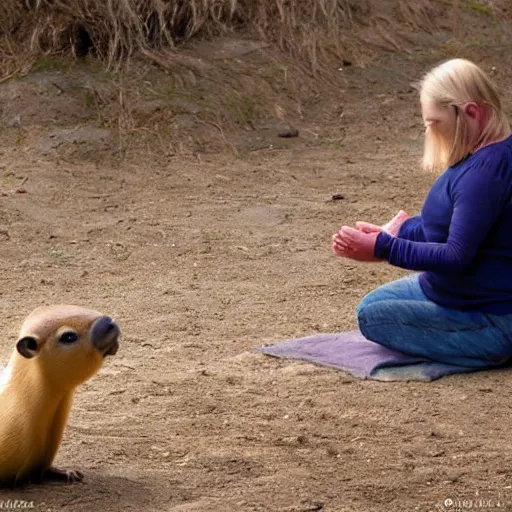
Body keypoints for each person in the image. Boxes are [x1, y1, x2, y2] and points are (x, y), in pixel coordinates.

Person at [332, 58, 512, 368]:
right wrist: (397, 232)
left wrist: (383, 248)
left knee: (372, 317)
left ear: (471, 113)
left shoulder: (485, 173)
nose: (430, 133)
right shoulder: (487, 156)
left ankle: (488, 344)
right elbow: (455, 225)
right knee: (374, 304)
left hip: (491, 314)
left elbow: (456, 256)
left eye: (434, 123)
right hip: (457, 294)